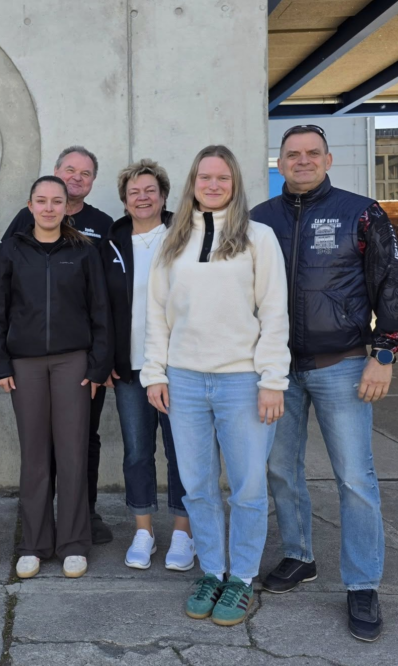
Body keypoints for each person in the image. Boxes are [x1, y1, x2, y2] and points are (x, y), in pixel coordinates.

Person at [251, 124, 398, 643]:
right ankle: (299, 555)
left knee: (354, 479)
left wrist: (384, 353)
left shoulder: (361, 212)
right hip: (277, 371)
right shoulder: (259, 219)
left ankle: (362, 583)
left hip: (341, 365)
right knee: (281, 470)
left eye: (311, 153)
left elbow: (391, 282)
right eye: (292, 154)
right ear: (280, 162)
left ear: (327, 160)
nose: (302, 161)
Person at [142, 145, 289, 627]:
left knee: (247, 488)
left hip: (242, 380)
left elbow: (274, 312)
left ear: (235, 183)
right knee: (198, 487)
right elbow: (157, 313)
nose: (212, 184)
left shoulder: (258, 238)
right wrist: (155, 372)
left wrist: (273, 380)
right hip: (184, 381)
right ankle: (213, 570)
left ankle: (241, 577)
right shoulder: (173, 240)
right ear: (192, 183)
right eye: (204, 177)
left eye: (222, 177)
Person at [0, 176, 112, 580]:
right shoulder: (11, 250)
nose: (49, 208)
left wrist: (97, 366)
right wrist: (0, 363)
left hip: (73, 362)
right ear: (30, 205)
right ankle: (34, 544)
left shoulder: (83, 250)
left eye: (56, 201)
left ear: (65, 207)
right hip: (25, 364)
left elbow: (100, 311)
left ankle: (73, 543)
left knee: (73, 452)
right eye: (41, 201)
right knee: (35, 455)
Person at [101, 160, 194, 571]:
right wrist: (106, 359)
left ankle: (183, 533)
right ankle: (144, 532)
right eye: (134, 192)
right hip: (130, 368)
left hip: (180, 365)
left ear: (163, 196)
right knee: (138, 452)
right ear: (124, 200)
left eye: (150, 190)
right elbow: (100, 307)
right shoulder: (111, 242)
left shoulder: (185, 234)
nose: (142, 197)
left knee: (181, 452)